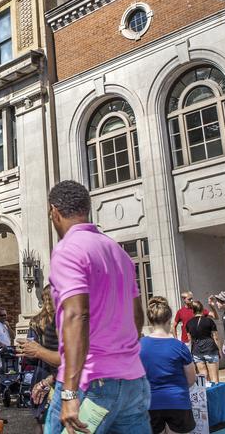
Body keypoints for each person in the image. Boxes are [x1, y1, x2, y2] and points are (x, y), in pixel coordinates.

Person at [45, 180, 150, 434]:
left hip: (90, 383)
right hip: (133, 381)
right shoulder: (118, 252)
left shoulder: (68, 250)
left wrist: (69, 393)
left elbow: (76, 314)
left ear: (54, 212)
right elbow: (137, 319)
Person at [139, 297, 196, 434]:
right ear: (169, 319)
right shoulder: (180, 346)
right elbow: (191, 380)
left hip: (149, 403)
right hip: (178, 402)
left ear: (150, 320)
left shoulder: (139, 346)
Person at [18, 284, 60, 434]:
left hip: (41, 374)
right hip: (59, 374)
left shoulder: (36, 322)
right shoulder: (65, 319)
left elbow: (30, 358)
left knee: (40, 419)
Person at [185, 300, 221, 383]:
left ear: (192, 310)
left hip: (197, 350)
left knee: (203, 378)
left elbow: (190, 339)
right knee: (214, 378)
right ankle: (216, 395)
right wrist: (218, 350)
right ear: (202, 309)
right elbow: (216, 337)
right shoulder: (209, 321)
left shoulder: (189, 323)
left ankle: (205, 395)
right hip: (210, 348)